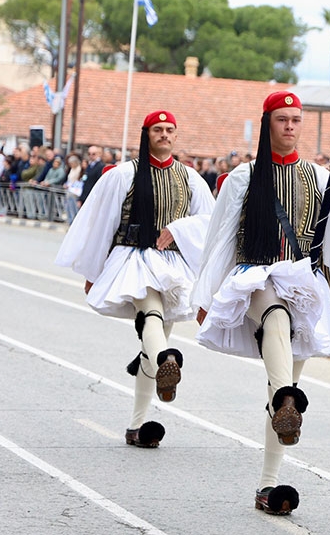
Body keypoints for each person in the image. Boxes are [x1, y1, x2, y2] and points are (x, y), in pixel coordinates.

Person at [192, 91, 330, 516]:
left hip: (302, 283)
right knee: (276, 316)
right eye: (282, 119)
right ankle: (286, 397)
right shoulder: (243, 177)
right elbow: (220, 237)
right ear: (268, 123)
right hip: (255, 276)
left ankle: (268, 485)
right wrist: (206, 294)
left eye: (296, 120)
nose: (290, 126)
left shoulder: (318, 176)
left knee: (283, 386)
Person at [55, 110, 214, 448]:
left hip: (172, 263)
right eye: (158, 129)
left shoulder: (191, 179)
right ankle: (167, 360)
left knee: (150, 343)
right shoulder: (124, 175)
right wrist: (94, 270)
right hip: (134, 258)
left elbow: (209, 223)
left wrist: (180, 229)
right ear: (146, 134)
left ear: (176, 135)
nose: (164, 134)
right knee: (151, 316)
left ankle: (136, 426)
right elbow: (102, 222)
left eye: (170, 129)